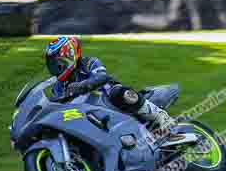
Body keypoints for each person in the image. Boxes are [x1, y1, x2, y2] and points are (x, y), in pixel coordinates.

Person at [45, 36, 176, 136]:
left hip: (108, 100)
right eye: (52, 65)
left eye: (58, 63)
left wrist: (82, 85)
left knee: (119, 92)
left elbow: (102, 77)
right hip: (86, 114)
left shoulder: (89, 63)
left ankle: (162, 118)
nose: (56, 68)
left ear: (70, 56)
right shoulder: (58, 87)